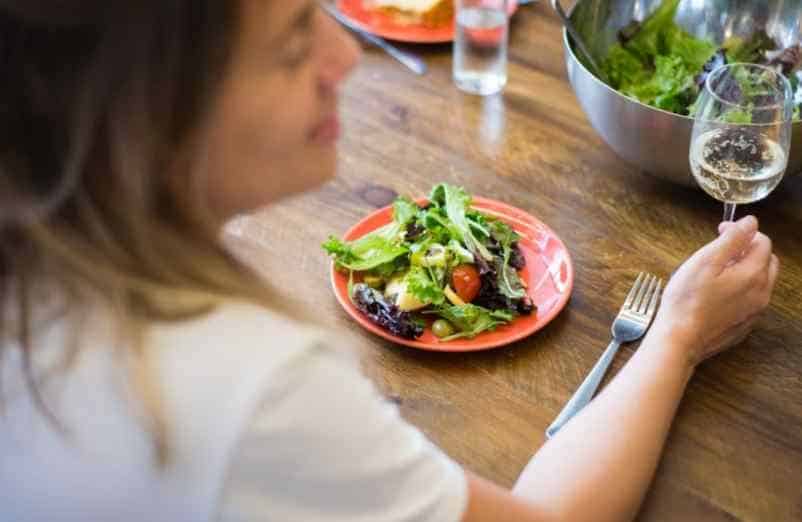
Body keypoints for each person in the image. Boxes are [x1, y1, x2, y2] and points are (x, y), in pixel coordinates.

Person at [0, 1, 778, 521]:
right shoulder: (251, 387)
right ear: (149, 113)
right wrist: (676, 338)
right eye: (294, 42)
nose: (346, 55)